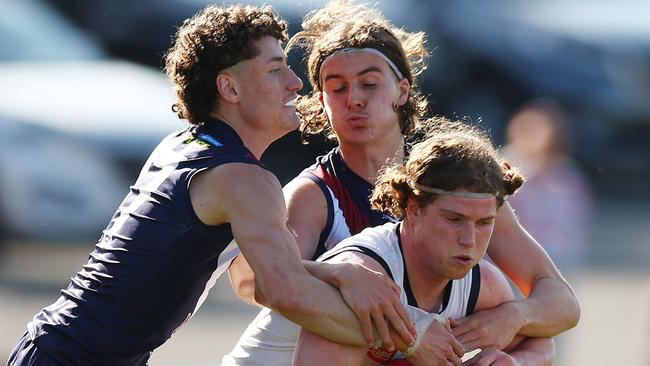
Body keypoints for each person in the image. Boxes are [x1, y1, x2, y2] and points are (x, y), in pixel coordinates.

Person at [6, 5, 416, 366]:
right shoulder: (245, 180)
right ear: (230, 88)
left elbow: (271, 273)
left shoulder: (186, 142)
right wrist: (412, 342)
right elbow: (288, 292)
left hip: (57, 347)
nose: (295, 83)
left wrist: (339, 271)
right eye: (275, 69)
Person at [223, 1, 578, 365]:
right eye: (338, 88)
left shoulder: (454, 188)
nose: (355, 99)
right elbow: (260, 282)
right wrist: (342, 273)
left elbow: (561, 305)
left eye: (369, 84)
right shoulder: (315, 194)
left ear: (402, 91)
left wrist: (515, 317)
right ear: (321, 101)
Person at [292, 120, 555, 365]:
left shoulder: (481, 285)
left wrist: (516, 362)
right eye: (454, 219)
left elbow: (541, 343)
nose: (469, 239)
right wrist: (412, 339)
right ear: (414, 209)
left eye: (484, 223)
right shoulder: (366, 277)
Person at [502, 98, 593, 271]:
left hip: (557, 259)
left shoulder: (567, 175)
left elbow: (575, 222)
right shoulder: (509, 168)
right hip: (515, 259)